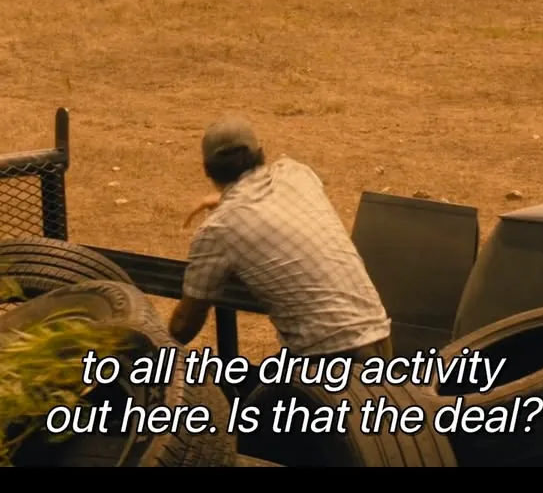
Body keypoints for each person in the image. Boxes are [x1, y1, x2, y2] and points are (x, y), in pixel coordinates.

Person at [168, 114, 394, 363]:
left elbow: (184, 326)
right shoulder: (297, 173)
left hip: (327, 354)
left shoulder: (218, 229)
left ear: (207, 170)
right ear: (261, 153)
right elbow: (272, 207)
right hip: (380, 337)